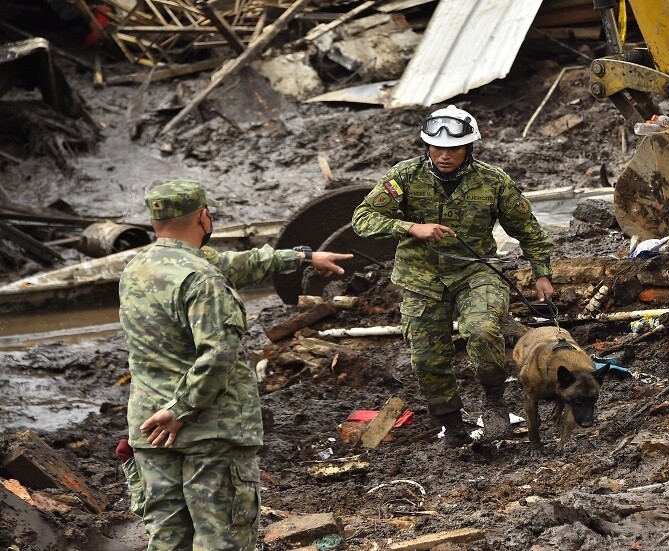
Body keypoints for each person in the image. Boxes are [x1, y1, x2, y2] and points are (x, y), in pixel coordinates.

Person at [118, 179, 351, 550]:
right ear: (203, 216)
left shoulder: (138, 269)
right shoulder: (203, 280)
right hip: (207, 432)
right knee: (222, 539)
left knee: (167, 539)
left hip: (151, 429)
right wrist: (182, 409)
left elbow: (236, 263)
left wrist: (303, 257)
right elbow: (218, 355)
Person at [352, 105, 554, 446]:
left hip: (475, 271)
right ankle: (453, 426)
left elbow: (529, 230)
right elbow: (363, 218)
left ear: (469, 148)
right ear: (426, 146)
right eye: (437, 148)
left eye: (454, 149)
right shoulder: (404, 175)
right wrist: (410, 226)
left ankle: (494, 400)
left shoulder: (493, 181)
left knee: (483, 329)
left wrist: (542, 273)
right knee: (428, 357)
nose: (444, 156)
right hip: (420, 278)